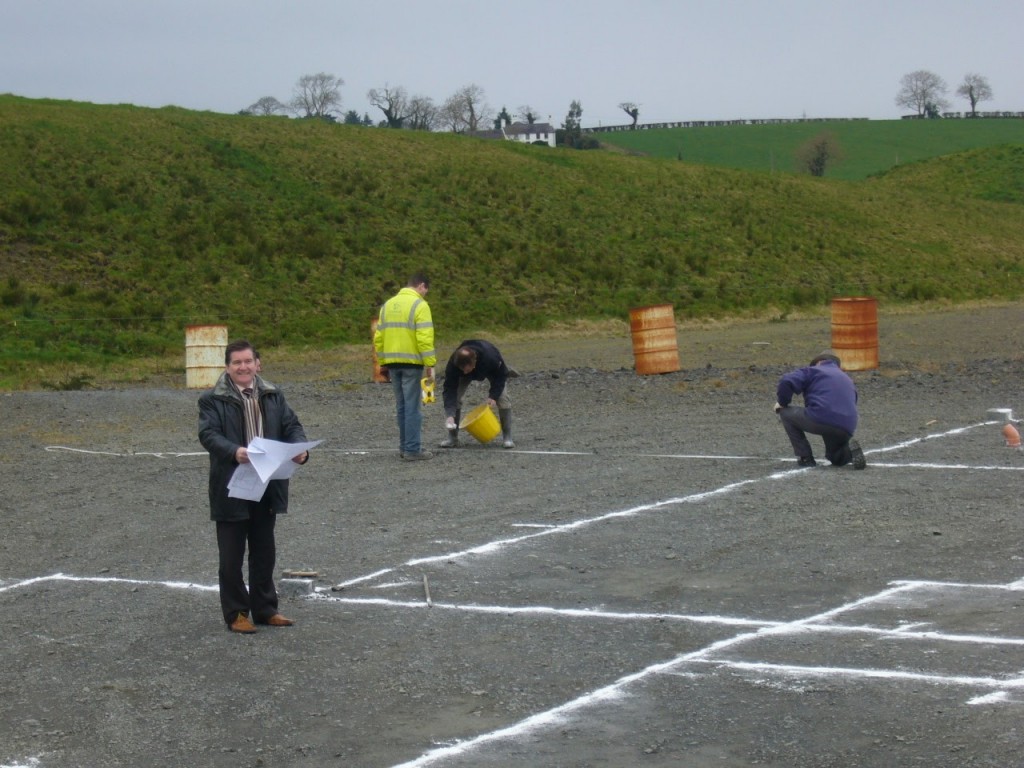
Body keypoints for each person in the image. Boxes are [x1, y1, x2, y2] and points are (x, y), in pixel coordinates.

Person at [198, 339, 311, 634]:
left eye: (248, 361)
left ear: (257, 364)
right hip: (232, 483)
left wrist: (300, 449)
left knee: (264, 550)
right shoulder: (212, 399)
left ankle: (265, 608)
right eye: (237, 363)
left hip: (268, 481)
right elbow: (208, 434)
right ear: (227, 367)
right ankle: (236, 613)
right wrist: (234, 452)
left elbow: (292, 426)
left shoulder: (273, 394)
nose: (243, 367)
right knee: (231, 555)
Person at [373, 272, 436, 460]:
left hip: (393, 363)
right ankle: (412, 449)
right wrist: (430, 363)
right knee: (412, 407)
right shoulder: (420, 305)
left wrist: (383, 361)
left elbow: (379, 337)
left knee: (401, 406)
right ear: (422, 286)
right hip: (412, 363)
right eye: (426, 290)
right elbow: (424, 338)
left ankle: (404, 446)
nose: (426, 294)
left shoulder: (387, 305)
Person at [774, 349, 866, 469]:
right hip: (847, 425)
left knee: (785, 413)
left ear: (818, 362)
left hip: (823, 417)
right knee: (836, 459)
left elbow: (786, 380)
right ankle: (848, 452)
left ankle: (805, 458)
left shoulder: (813, 371)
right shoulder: (846, 379)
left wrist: (782, 402)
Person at [438, 340, 517, 449]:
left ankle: (507, 438)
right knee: (455, 397)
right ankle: (453, 439)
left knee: (503, 399)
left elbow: (501, 376)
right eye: (462, 369)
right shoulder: (454, 364)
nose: (464, 373)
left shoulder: (491, 357)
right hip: (472, 368)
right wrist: (450, 414)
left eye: (466, 369)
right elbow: (449, 389)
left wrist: (493, 396)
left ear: (473, 362)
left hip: (492, 370)